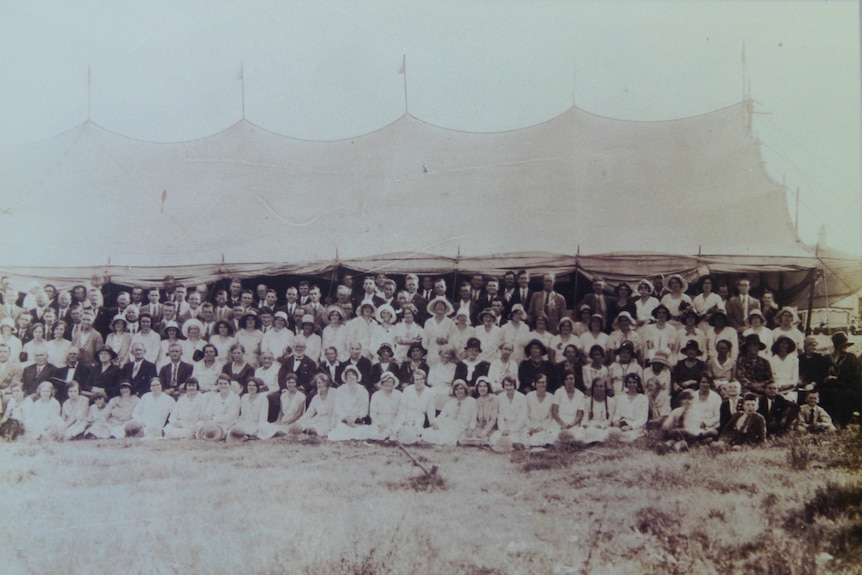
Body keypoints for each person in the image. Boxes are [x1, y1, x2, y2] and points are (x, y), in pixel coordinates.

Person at [820, 332, 861, 427]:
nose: (844, 348)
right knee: (824, 393)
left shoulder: (851, 358)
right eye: (842, 346)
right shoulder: (827, 358)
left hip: (847, 385)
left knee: (844, 395)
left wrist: (838, 378)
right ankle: (831, 420)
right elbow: (823, 373)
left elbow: (855, 375)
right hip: (830, 386)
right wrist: (827, 378)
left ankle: (842, 422)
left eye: (845, 346)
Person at [422, 380, 478, 445]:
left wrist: (471, 428)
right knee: (428, 432)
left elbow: (474, 419)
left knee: (450, 439)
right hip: (448, 423)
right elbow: (442, 415)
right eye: (456, 389)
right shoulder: (451, 402)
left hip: (462, 425)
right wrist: (435, 422)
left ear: (465, 389)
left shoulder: (472, 401)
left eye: (461, 388)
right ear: (454, 391)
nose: (459, 391)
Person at [391, 368, 436, 444]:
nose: (418, 382)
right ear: (413, 380)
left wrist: (432, 423)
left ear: (424, 379)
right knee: (399, 430)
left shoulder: (429, 392)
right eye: (416, 379)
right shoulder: (408, 390)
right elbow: (402, 408)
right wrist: (403, 421)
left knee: (415, 433)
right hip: (405, 416)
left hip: (419, 418)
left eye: (421, 379)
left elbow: (431, 410)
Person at [328, 366, 371, 441]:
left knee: (362, 432)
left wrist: (355, 418)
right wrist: (346, 418)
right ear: (345, 378)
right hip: (343, 419)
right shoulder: (340, 390)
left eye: (353, 374)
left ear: (357, 377)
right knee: (339, 433)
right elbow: (337, 408)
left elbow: (364, 410)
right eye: (348, 375)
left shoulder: (363, 391)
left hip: (357, 420)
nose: (351, 377)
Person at [259, 373, 306, 438]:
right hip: (284, 419)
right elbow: (281, 411)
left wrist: (287, 422)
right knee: (267, 428)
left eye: (293, 383)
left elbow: (299, 413)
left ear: (296, 383)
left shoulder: (301, 396)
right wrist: (278, 420)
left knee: (281, 431)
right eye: (289, 382)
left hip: (295, 421)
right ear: (286, 383)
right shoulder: (283, 395)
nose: (291, 385)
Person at [575, 378, 619, 444]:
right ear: (593, 388)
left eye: (601, 386)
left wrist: (600, 426)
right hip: (590, 426)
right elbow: (585, 418)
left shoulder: (611, 401)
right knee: (581, 433)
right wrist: (586, 425)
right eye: (596, 386)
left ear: (605, 388)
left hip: (603, 427)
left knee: (613, 432)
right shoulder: (587, 401)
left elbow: (609, 420)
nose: (598, 388)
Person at [197, 375, 241, 441]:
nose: (222, 386)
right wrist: (207, 418)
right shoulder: (215, 397)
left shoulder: (235, 397)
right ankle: (208, 435)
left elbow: (231, 415)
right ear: (217, 385)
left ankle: (215, 435)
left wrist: (214, 420)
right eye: (220, 384)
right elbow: (208, 411)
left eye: (225, 383)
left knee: (220, 428)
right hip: (212, 421)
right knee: (199, 424)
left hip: (228, 422)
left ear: (229, 385)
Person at [490, 376, 527, 451]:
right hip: (505, 426)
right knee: (494, 437)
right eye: (506, 385)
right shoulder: (500, 397)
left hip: (517, 427)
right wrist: (503, 429)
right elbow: (500, 416)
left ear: (515, 386)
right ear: (503, 386)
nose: (509, 387)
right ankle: (508, 445)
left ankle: (513, 444)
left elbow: (522, 417)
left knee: (516, 438)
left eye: (511, 385)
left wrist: (511, 430)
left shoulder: (522, 397)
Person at [612, 373, 649, 442]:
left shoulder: (643, 398)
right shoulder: (621, 398)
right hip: (623, 425)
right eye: (629, 382)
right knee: (612, 432)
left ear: (638, 384)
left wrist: (630, 427)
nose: (632, 385)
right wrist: (616, 421)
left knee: (629, 436)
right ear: (626, 384)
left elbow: (643, 418)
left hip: (636, 426)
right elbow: (617, 413)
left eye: (634, 382)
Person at [366, 371, 402, 441]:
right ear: (382, 383)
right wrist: (379, 424)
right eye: (386, 382)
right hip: (380, 421)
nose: (388, 384)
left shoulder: (399, 394)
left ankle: (389, 436)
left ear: (393, 383)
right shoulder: (376, 395)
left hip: (394, 421)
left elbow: (401, 412)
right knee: (373, 433)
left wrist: (396, 424)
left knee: (399, 432)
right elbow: (373, 413)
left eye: (390, 382)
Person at [552, 371, 585, 440]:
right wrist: (562, 424)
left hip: (573, 423)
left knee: (577, 438)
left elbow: (579, 415)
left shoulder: (580, 395)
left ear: (575, 380)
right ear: (564, 381)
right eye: (566, 379)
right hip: (559, 422)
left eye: (571, 378)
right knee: (555, 437)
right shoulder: (558, 392)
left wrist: (571, 425)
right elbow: (554, 412)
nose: (569, 381)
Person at [465, 376, 498, 445]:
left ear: (488, 387)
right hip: (480, 427)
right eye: (480, 386)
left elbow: (493, 420)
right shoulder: (477, 400)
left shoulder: (494, 399)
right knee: (468, 438)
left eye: (484, 386)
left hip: (491, 428)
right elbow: (476, 418)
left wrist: (485, 431)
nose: (482, 388)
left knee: (488, 440)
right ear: (477, 388)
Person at [672, 341, 707, 405]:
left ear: (696, 352)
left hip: (696, 389)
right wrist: (675, 384)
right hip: (681, 389)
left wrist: (692, 381)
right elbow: (674, 377)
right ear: (686, 352)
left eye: (693, 350)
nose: (691, 352)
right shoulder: (680, 363)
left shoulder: (701, 364)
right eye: (689, 350)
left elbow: (704, 378)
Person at [770, 336, 800, 402]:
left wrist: (790, 385)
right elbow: (772, 376)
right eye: (782, 343)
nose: (784, 345)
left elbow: (795, 376)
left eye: (786, 343)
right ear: (778, 345)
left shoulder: (794, 359)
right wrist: (778, 386)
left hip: (791, 389)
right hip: (777, 389)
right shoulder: (771, 360)